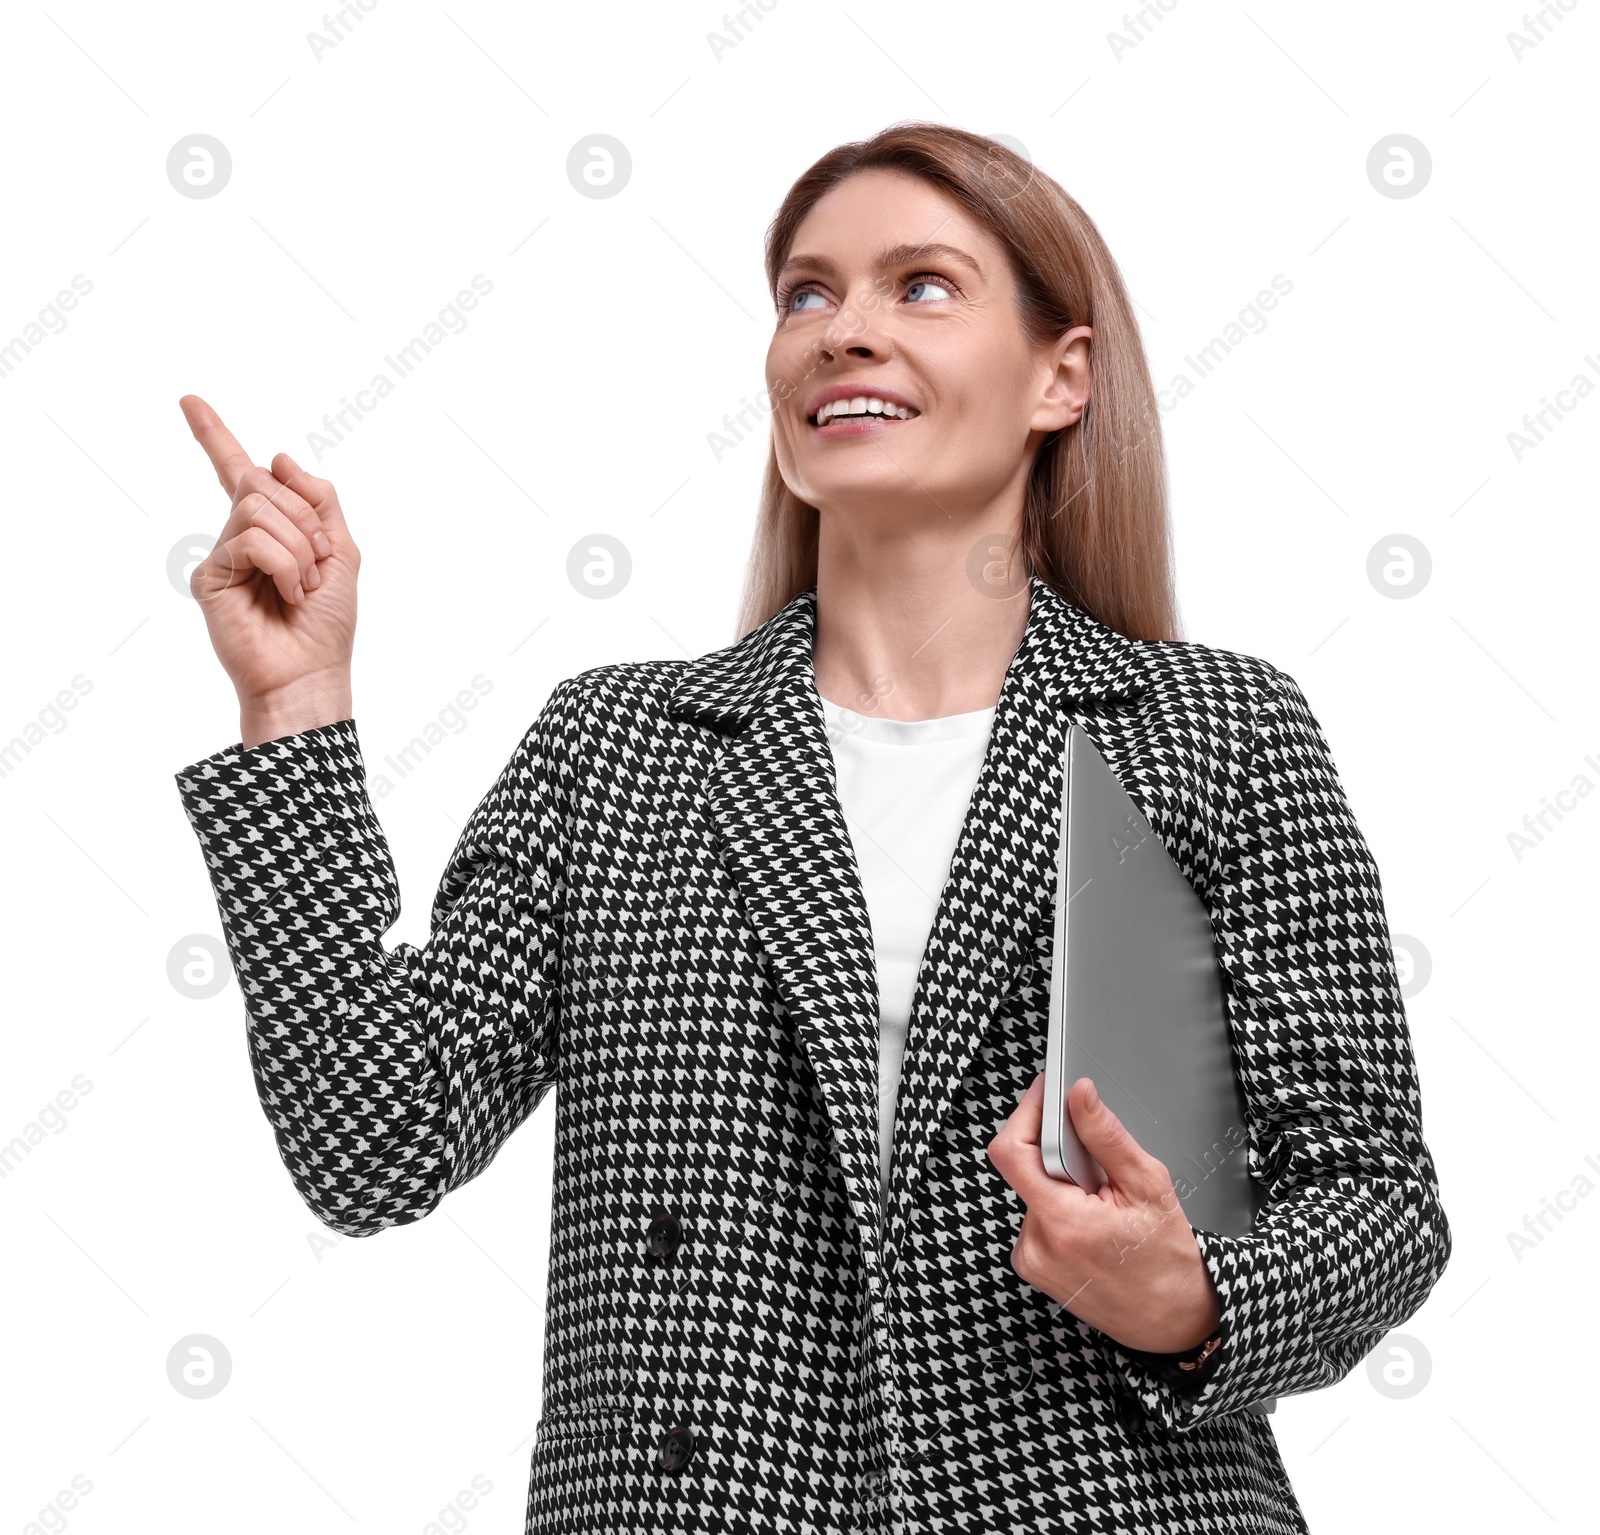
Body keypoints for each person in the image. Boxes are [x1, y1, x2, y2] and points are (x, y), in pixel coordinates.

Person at [173, 122, 1451, 1534]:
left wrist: (1190, 1293)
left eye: (920, 286)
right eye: (805, 293)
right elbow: (373, 1138)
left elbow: (1374, 1195)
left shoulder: (1217, 733)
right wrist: (296, 701)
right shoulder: (617, 748)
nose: (844, 331)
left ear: (1060, 376)